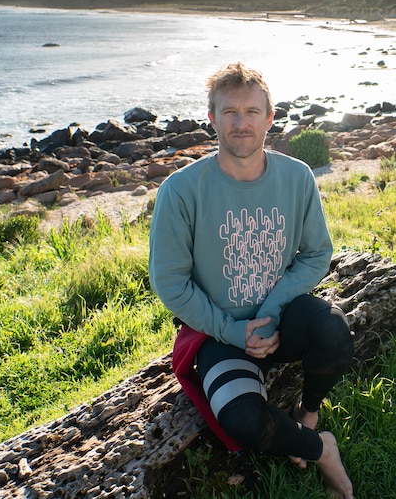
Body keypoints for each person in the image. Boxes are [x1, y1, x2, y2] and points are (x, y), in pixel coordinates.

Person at [148, 62, 354, 498]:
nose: (241, 123)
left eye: (252, 112)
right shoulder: (181, 190)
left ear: (270, 118)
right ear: (211, 119)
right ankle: (322, 449)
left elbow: (317, 253)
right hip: (218, 334)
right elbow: (170, 282)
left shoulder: (297, 176)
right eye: (229, 113)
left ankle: (308, 412)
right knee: (242, 420)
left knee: (335, 332)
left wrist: (272, 311)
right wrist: (232, 331)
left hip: (281, 317)